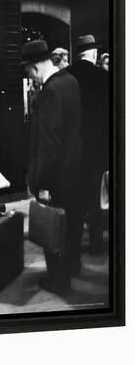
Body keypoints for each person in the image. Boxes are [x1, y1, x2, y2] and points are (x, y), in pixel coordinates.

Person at [22, 39, 81, 294]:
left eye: (28, 73)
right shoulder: (71, 81)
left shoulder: (50, 92)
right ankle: (67, 272)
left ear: (35, 67)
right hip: (73, 172)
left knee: (52, 229)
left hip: (55, 177)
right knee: (67, 229)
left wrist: (42, 184)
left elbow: (48, 145)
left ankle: (58, 281)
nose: (30, 78)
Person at [68, 35, 109, 255]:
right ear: (93, 54)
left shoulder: (66, 77)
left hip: (72, 151)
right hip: (96, 149)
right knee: (95, 199)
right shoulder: (104, 78)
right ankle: (96, 243)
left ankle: (73, 251)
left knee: (74, 202)